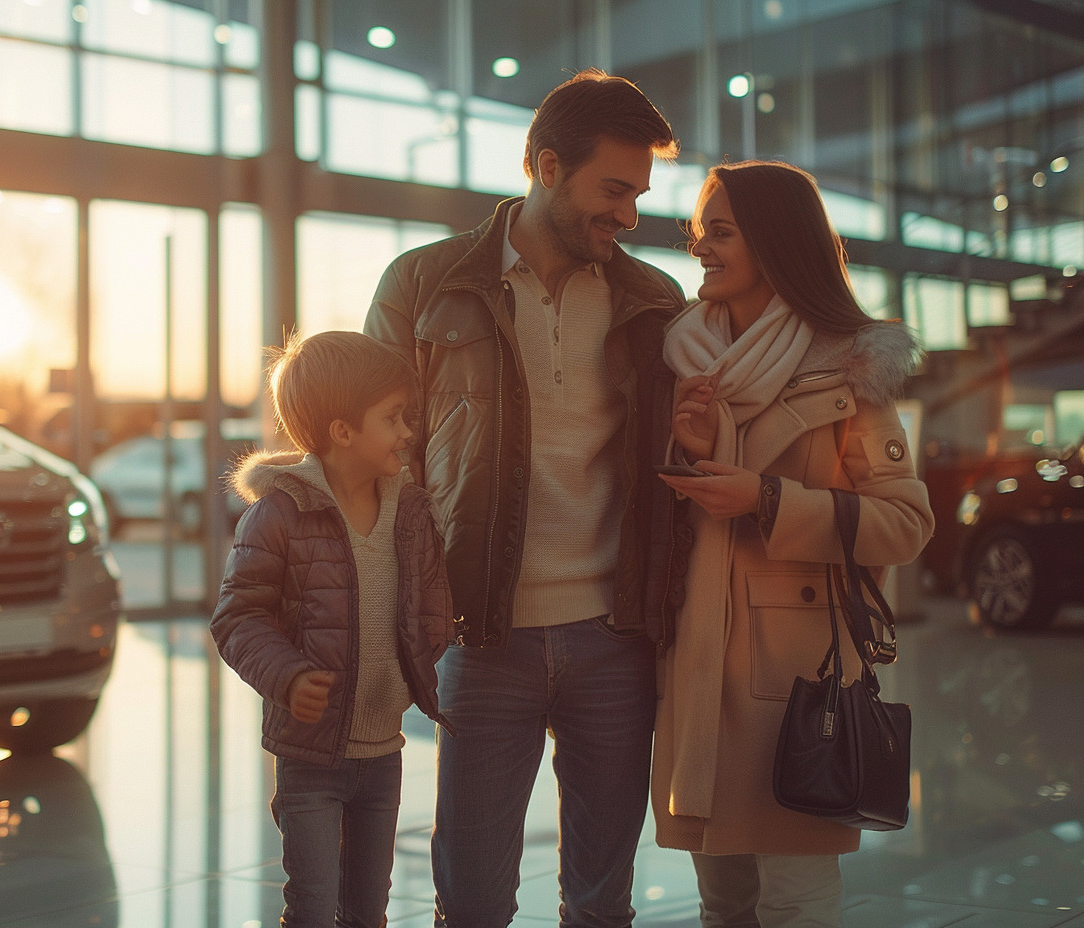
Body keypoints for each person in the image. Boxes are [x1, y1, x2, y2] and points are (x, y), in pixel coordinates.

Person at [363, 68, 688, 927]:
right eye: (613, 189)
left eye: (638, 194)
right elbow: (371, 464)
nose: (628, 214)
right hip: (480, 635)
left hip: (617, 637)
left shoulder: (655, 302)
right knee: (470, 903)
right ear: (547, 167)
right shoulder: (423, 286)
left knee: (601, 901)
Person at [649, 159, 935, 928]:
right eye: (698, 230)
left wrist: (769, 499)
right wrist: (692, 445)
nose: (699, 247)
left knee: (797, 906)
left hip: (799, 681)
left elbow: (906, 523)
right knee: (723, 905)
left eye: (721, 231)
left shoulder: (848, 366)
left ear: (775, 243)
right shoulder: (684, 356)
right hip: (697, 670)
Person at [209, 330, 455, 928]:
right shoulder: (278, 516)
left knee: (368, 911)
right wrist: (289, 677)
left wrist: (423, 656)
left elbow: (430, 608)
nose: (407, 432)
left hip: (384, 752)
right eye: (393, 418)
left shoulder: (411, 512)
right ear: (343, 432)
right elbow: (238, 618)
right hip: (310, 757)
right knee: (315, 910)